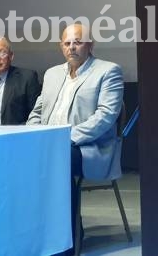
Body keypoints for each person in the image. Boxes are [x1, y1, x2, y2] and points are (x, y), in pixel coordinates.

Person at [27, 23, 123, 255]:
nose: (72, 47)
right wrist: (31, 136)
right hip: (49, 144)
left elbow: (106, 116)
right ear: (61, 46)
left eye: (77, 42)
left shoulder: (108, 71)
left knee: (60, 159)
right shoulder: (52, 73)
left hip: (89, 147)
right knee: (20, 155)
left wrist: (63, 139)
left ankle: (65, 238)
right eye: (67, 43)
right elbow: (37, 112)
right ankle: (34, 230)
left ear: (90, 45)